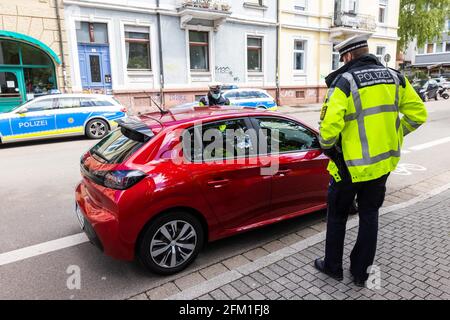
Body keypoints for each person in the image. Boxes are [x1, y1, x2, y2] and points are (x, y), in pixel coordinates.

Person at [314, 34, 427, 287]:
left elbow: (329, 128)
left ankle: (332, 266)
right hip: (381, 166)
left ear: (350, 55)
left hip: (349, 167)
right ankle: (361, 273)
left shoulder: (345, 81)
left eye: (343, 57)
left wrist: (328, 148)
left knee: (337, 216)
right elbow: (418, 115)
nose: (342, 61)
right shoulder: (396, 77)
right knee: (369, 216)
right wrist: (396, 135)